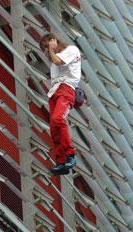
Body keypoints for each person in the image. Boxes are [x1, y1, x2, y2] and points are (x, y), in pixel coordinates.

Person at [40, 33, 81, 176]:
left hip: (66, 88)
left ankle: (70, 155)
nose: (47, 50)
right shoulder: (55, 59)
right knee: (54, 128)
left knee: (58, 119)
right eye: (45, 48)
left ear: (54, 40)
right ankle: (61, 162)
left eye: (47, 45)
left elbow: (59, 61)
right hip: (55, 92)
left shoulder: (71, 50)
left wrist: (51, 49)